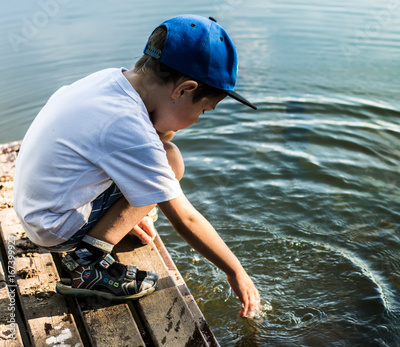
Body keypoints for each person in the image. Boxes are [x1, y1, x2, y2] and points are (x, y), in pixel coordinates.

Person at [13, 14, 261, 317]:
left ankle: (104, 229)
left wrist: (128, 215)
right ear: (184, 89)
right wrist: (236, 272)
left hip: (36, 209)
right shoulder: (128, 127)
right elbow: (186, 219)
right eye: (204, 110)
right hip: (54, 228)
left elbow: (156, 133)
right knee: (170, 160)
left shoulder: (109, 81)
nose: (196, 121)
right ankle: (87, 263)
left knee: (162, 153)